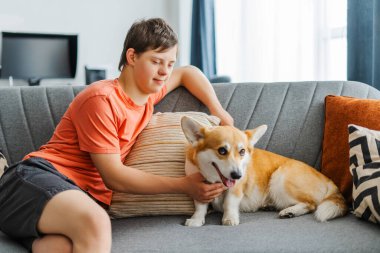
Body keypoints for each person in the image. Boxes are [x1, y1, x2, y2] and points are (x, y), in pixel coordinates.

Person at [0, 18, 234, 253]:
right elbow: (114, 177)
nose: (165, 71)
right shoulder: (102, 99)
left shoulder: (147, 94)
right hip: (35, 179)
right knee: (97, 222)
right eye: (156, 61)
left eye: (170, 63)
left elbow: (188, 73)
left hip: (73, 198)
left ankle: (24, 235)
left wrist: (220, 112)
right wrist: (184, 185)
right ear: (132, 57)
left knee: (62, 247)